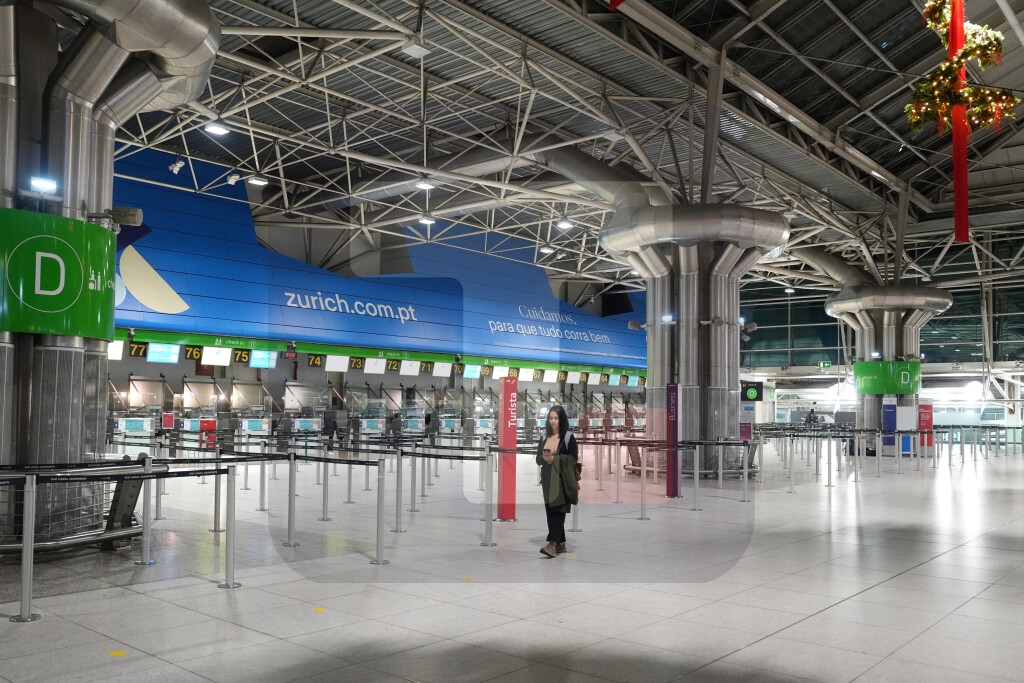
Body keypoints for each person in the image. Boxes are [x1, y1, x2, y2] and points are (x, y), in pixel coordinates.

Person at [536, 405, 578, 558]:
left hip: (561, 479)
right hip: (547, 478)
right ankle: (560, 543)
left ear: (562, 420)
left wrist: (555, 459)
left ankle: (552, 544)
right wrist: (544, 458)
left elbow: (573, 459)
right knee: (550, 509)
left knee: (557, 509)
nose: (553, 421)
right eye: (550, 418)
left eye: (556, 418)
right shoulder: (544, 438)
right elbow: (538, 460)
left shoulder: (568, 438)